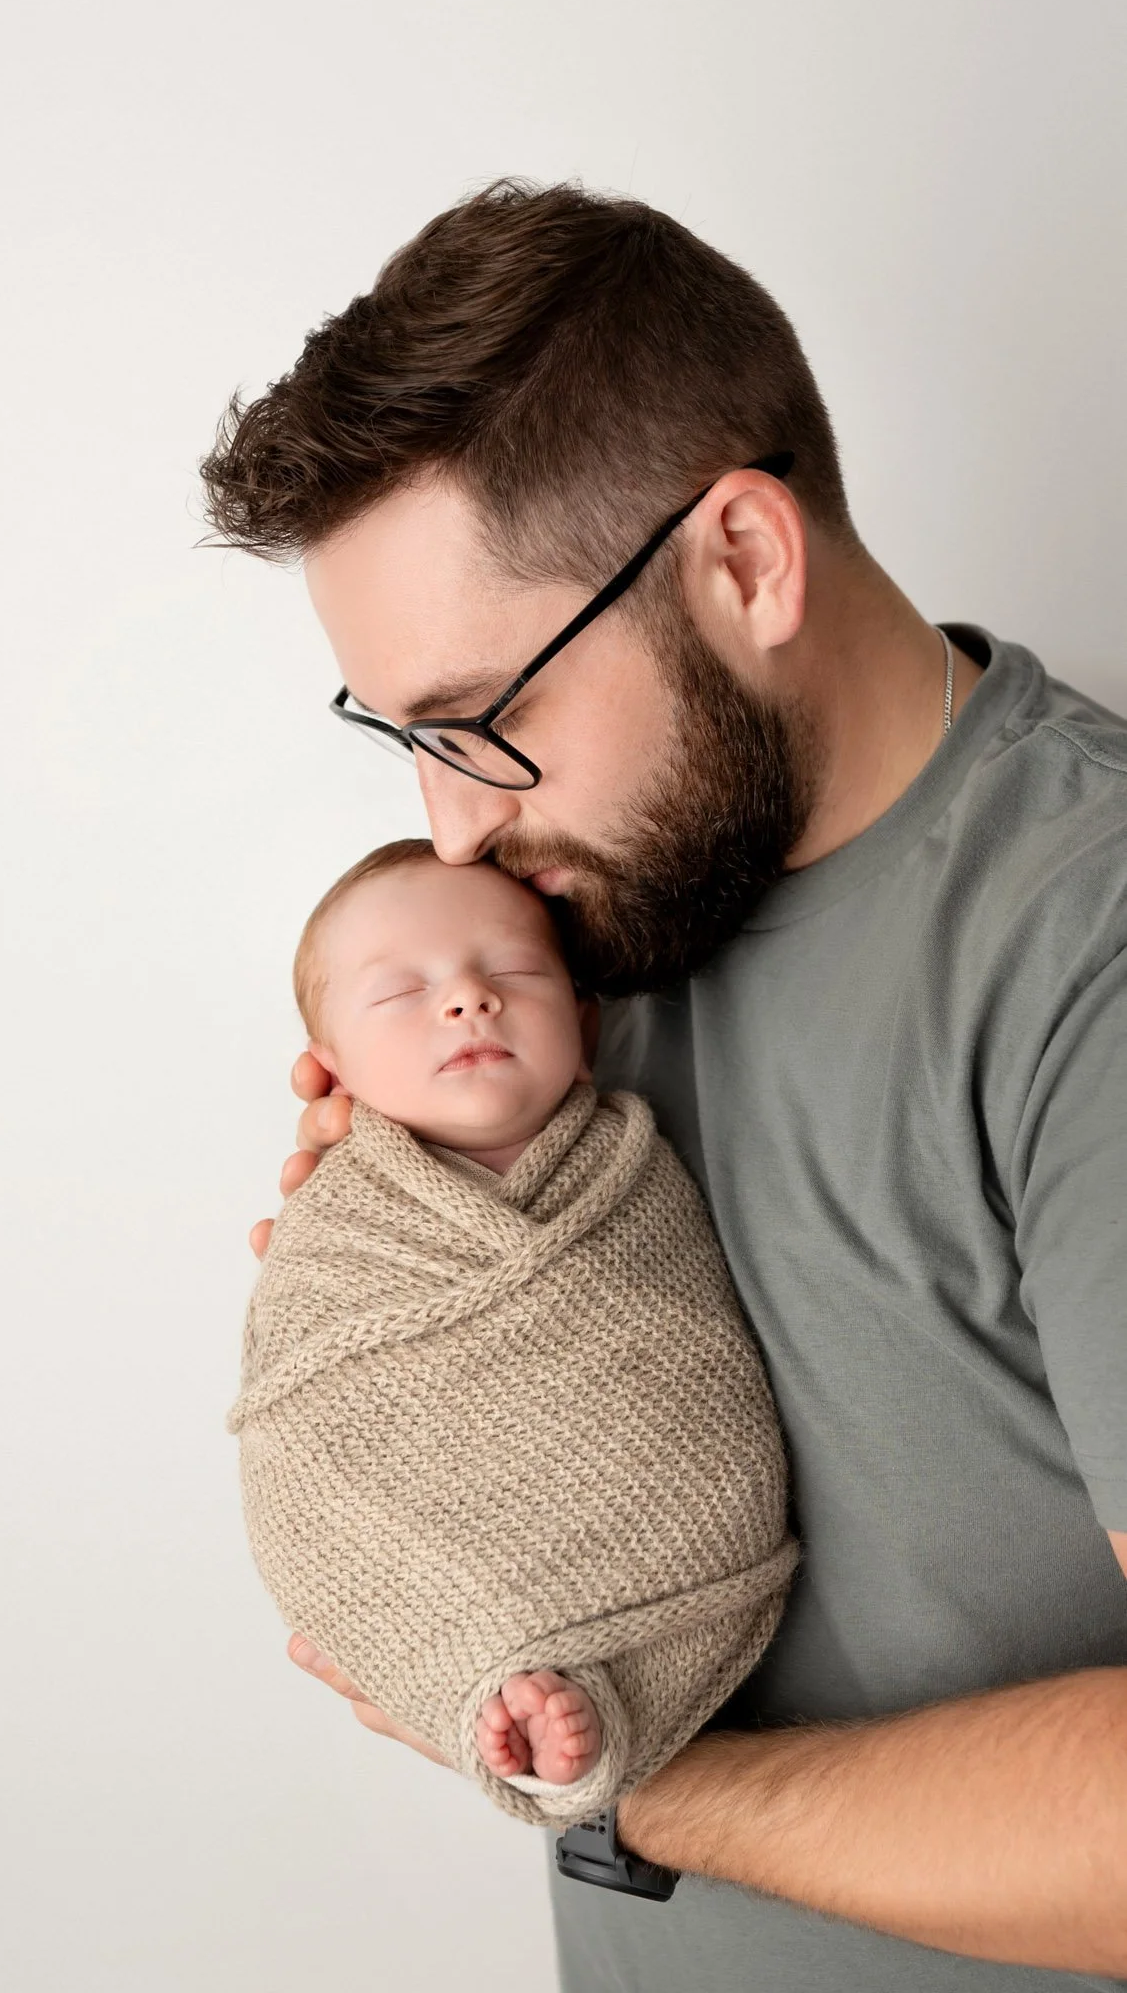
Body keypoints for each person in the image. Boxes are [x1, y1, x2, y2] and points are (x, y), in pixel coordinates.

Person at [200, 178, 1127, 1987]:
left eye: (483, 721)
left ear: (746, 561)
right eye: (409, 744)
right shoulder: (585, 924)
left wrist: (642, 1797)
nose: (455, 822)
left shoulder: (1079, 947)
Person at [228, 839, 798, 1827]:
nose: (468, 999)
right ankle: (516, 1700)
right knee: (437, 1614)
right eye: (402, 991)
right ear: (332, 1069)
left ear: (585, 1022)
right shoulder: (333, 1226)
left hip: (678, 1545)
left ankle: (572, 1705)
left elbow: (687, 1363)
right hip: (451, 1554)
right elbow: (307, 1432)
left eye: (514, 971)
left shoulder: (635, 1164)